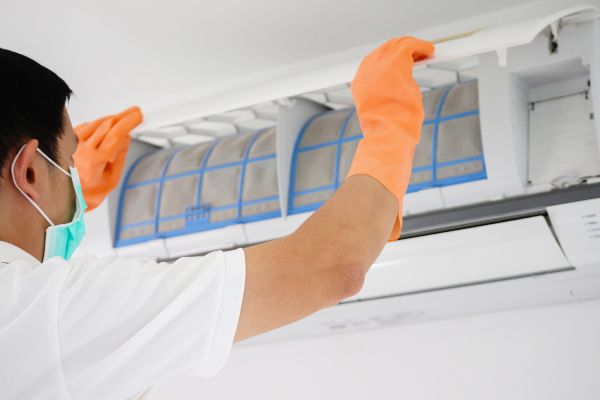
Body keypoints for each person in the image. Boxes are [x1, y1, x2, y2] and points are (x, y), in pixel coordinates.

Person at [0, 37, 434, 399]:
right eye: (69, 164)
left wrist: (64, 203)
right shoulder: (46, 316)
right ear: (30, 172)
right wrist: (389, 130)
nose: (76, 179)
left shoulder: (34, 313)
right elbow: (331, 266)